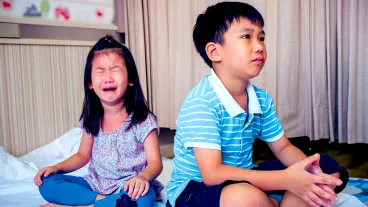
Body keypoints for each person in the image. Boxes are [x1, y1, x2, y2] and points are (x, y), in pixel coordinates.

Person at [166, 2, 349, 207]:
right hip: (197, 190)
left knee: (326, 167)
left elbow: (283, 147)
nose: (259, 46)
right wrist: (286, 179)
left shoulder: (261, 99)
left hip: (244, 176)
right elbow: (212, 174)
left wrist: (307, 171)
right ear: (214, 52)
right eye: (247, 37)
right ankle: (269, 201)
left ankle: (283, 201)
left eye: (261, 37)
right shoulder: (201, 102)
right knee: (245, 198)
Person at [34, 36, 163, 207]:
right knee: (47, 183)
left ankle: (83, 204)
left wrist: (142, 177)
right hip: (95, 185)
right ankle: (100, 202)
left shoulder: (142, 120)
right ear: (90, 83)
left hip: (129, 187)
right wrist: (56, 168)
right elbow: (82, 156)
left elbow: (156, 163)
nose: (108, 77)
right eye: (100, 71)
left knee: (144, 198)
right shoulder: (92, 118)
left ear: (131, 79)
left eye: (115, 70)